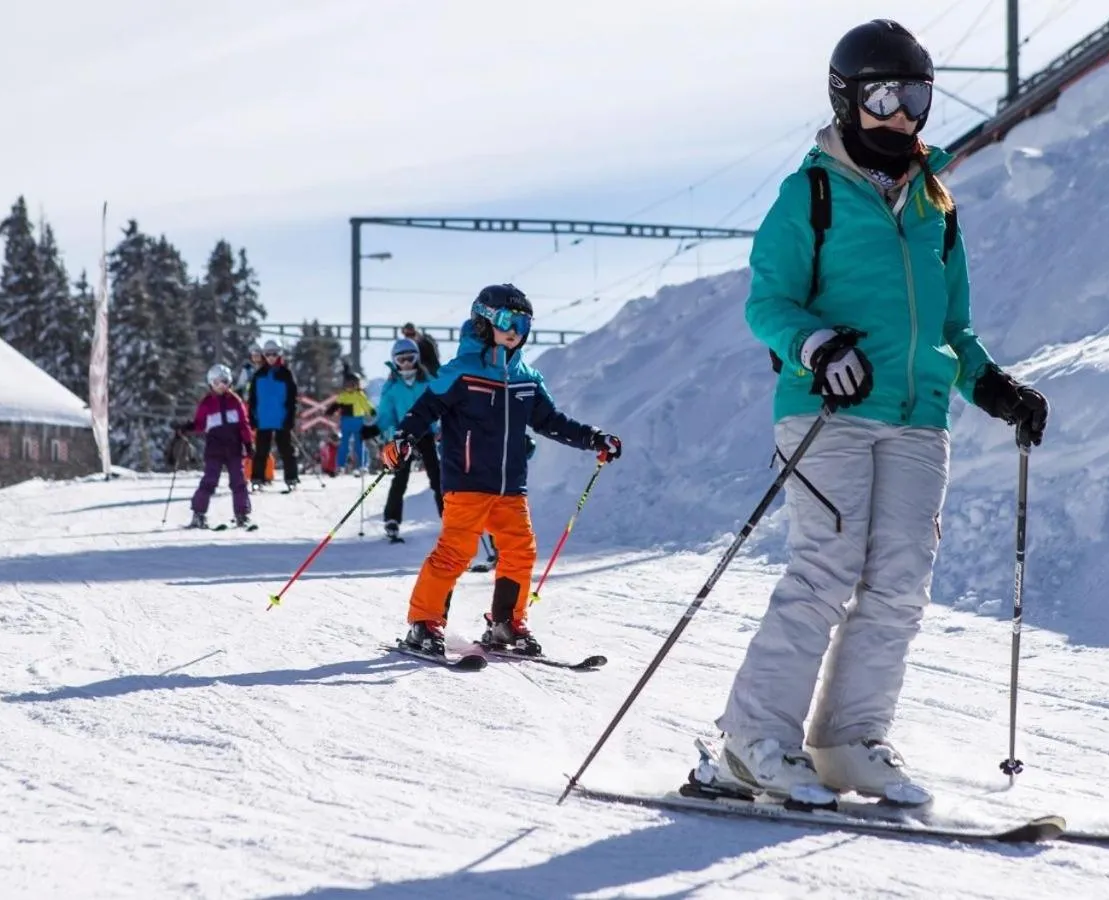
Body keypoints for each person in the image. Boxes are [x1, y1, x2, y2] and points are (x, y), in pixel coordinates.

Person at [706, 19, 1049, 808]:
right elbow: (769, 303)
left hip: (920, 416)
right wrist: (818, 346)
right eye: (885, 96)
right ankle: (752, 738)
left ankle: (848, 740)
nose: (902, 115)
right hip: (830, 409)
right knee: (824, 571)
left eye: (915, 97)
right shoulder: (812, 192)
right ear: (847, 97)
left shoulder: (936, 201)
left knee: (899, 583)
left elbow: (952, 325)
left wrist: (991, 385)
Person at [381, 284, 622, 657]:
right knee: (455, 553)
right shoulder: (461, 371)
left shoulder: (527, 377)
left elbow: (551, 421)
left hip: (511, 485)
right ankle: (425, 623)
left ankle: (505, 622)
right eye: (508, 321)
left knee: (520, 551)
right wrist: (403, 438)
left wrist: (593, 438)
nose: (516, 330)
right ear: (484, 322)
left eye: (524, 323)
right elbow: (425, 410)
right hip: (467, 480)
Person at [360, 338, 442, 542]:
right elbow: (386, 414)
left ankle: (449, 516)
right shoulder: (392, 387)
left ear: (417, 359)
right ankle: (392, 519)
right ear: (395, 362)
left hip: (425, 433)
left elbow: (440, 405)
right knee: (400, 477)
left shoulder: (427, 382)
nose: (406, 364)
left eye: (410, 359)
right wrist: (374, 428)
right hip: (402, 435)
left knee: (437, 477)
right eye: (401, 360)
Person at [177, 364, 255, 529]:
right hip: (215, 449)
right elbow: (199, 424)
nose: (221, 386)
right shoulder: (206, 403)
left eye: (224, 382)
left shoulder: (235, 401)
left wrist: (248, 444)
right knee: (209, 481)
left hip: (234, 448)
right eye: (217, 382)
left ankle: (242, 514)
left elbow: (244, 424)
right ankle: (198, 514)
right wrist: (187, 427)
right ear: (211, 383)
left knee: (239, 482)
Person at [246, 339, 300, 491]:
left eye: (274, 354)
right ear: (264, 355)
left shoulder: (286, 374)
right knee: (261, 451)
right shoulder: (258, 375)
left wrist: (290, 417)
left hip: (282, 419)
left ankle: (291, 478)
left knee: (286, 450)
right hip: (263, 419)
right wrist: (251, 416)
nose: (271, 357)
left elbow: (292, 398)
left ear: (279, 354)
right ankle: (257, 478)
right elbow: (253, 398)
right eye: (268, 354)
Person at [331, 369, 376, 475]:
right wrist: (330, 411)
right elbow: (336, 405)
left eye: (353, 384)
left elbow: (366, 404)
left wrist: (372, 411)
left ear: (357, 384)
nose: (350, 387)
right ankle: (340, 465)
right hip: (346, 421)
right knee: (344, 445)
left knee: (359, 444)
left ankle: (363, 465)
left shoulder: (359, 395)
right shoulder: (343, 395)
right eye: (348, 384)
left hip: (358, 421)